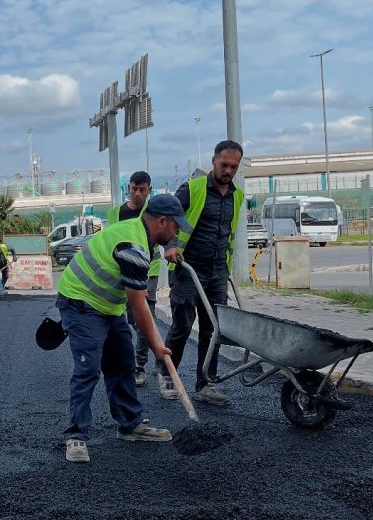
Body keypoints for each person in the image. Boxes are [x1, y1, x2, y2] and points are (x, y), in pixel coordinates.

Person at [56, 193, 192, 463]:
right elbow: (139, 305)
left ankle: (130, 424)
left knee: (122, 362)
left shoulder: (140, 235)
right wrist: (157, 347)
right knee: (88, 369)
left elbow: (135, 302)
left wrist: (152, 338)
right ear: (162, 221)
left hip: (108, 306)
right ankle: (76, 435)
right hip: (80, 302)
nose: (177, 232)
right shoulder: (134, 247)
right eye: (176, 225)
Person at [159, 140, 245, 406]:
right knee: (183, 326)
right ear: (213, 161)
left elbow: (228, 234)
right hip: (188, 268)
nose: (228, 171)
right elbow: (164, 217)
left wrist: (226, 267)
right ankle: (167, 374)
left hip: (217, 271)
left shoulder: (237, 196)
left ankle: (206, 383)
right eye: (224, 164)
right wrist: (170, 246)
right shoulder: (193, 188)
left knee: (214, 329)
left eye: (233, 167)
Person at [106, 170, 161, 388]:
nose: (137, 193)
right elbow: (109, 239)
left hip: (148, 271)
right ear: (128, 187)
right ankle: (124, 361)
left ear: (149, 190)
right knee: (123, 318)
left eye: (142, 189)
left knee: (143, 319)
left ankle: (140, 366)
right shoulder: (115, 213)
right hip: (121, 271)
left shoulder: (153, 212)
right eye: (134, 188)